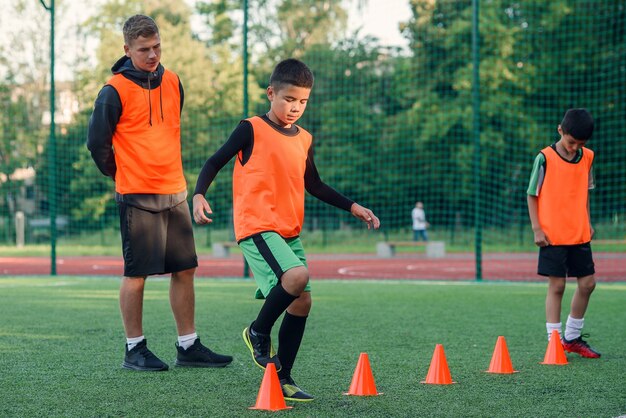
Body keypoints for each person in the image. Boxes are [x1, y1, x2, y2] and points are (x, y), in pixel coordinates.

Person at [193, 58, 380, 401]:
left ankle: (284, 378)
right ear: (271, 93)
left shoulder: (304, 139)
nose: (295, 107)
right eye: (289, 99)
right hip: (257, 225)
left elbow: (315, 184)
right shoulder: (250, 128)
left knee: (302, 302)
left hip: (288, 231)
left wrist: (353, 206)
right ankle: (257, 330)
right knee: (295, 278)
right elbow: (213, 161)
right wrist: (199, 194)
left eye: (303, 101)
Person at [86, 14, 232, 371]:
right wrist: (123, 174)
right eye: (144, 50)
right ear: (127, 50)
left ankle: (188, 345)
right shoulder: (112, 91)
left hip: (175, 193)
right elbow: (96, 144)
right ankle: (134, 349)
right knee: (136, 275)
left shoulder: (174, 81)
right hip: (137, 196)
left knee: (185, 269)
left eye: (157, 47)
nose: (153, 55)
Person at [526, 108, 600, 358]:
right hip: (552, 234)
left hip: (579, 232)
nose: (574, 148)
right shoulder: (544, 158)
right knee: (557, 286)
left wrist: (587, 221)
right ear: (560, 130)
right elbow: (532, 194)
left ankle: (572, 337)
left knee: (588, 284)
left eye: (580, 143)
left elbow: (585, 191)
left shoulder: (588, 157)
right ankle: (553, 343)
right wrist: (537, 228)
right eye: (571, 142)